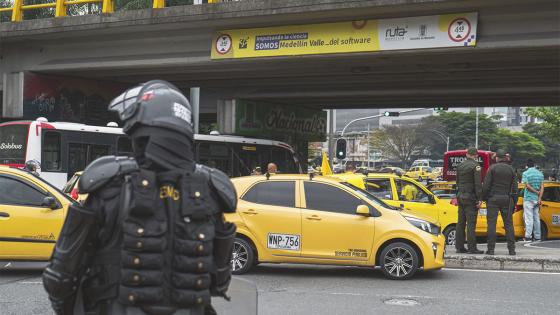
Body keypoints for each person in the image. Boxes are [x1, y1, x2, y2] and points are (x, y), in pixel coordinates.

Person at [42, 80, 237, 315]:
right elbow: (219, 281)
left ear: (146, 136)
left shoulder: (111, 187)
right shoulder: (211, 193)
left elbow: (60, 276)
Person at [482, 150, 516, 255]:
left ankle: (491, 249)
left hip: (493, 199)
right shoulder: (511, 170)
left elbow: (486, 185)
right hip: (506, 198)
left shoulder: (492, 168)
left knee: (491, 224)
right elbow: (515, 188)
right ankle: (512, 250)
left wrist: (484, 198)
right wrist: (513, 202)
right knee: (509, 225)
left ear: (497, 158)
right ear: (505, 158)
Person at [455, 147, 483, 254]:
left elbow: (457, 182)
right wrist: (480, 198)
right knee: (471, 223)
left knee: (460, 223)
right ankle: (472, 248)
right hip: (470, 197)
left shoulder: (460, 165)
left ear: (467, 154)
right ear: (475, 155)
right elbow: (477, 184)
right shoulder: (476, 166)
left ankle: (459, 247)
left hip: (460, 196)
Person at [521, 158, 544, 242]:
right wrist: (539, 197)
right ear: (534, 165)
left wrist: (535, 192)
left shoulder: (525, 173)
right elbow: (542, 187)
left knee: (528, 219)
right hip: (537, 200)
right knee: (536, 218)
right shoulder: (540, 174)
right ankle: (538, 237)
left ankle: (528, 237)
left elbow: (527, 186)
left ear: (527, 165)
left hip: (529, 199)